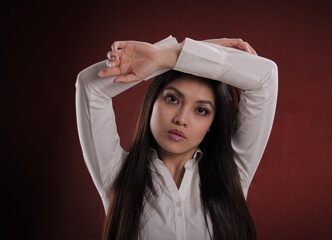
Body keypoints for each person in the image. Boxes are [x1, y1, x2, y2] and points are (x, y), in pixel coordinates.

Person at [75, 35, 278, 240]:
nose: (181, 119)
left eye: (201, 110)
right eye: (172, 99)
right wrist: (167, 56)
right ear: (152, 102)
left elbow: (266, 76)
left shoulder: (232, 172)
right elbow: (90, 86)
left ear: (211, 124)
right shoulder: (117, 172)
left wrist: (165, 56)